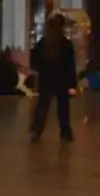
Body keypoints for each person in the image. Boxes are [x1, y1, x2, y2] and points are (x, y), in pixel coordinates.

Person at [30, 14, 78, 143]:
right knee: (63, 108)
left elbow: (34, 59)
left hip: (46, 79)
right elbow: (70, 65)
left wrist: (41, 69)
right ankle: (65, 132)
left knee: (42, 106)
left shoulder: (43, 43)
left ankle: (36, 131)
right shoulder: (66, 44)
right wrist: (73, 84)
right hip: (62, 80)